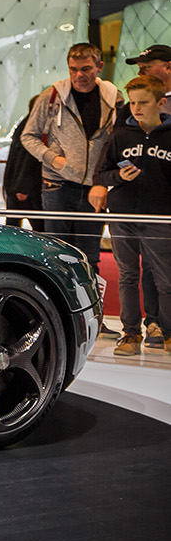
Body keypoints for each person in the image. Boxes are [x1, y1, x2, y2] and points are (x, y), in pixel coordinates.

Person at [88, 74, 171, 356]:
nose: (136, 108)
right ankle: (131, 334)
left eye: (143, 102)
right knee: (127, 276)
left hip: (159, 218)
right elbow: (102, 173)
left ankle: (166, 332)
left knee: (164, 279)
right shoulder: (121, 135)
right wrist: (119, 176)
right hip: (123, 215)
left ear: (160, 103)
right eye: (133, 102)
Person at [20, 42, 121, 271]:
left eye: (85, 69)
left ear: (99, 67)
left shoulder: (113, 97)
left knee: (90, 256)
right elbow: (28, 136)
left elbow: (116, 142)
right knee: (56, 253)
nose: (78, 75)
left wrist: (104, 181)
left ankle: (89, 305)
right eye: (73, 68)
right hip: (57, 184)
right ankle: (56, 306)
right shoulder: (52, 96)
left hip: (94, 188)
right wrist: (53, 159)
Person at [2, 91, 47, 232]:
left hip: (16, 186)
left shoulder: (24, 125)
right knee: (40, 229)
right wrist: (23, 187)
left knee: (13, 227)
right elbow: (26, 159)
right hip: (25, 189)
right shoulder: (33, 130)